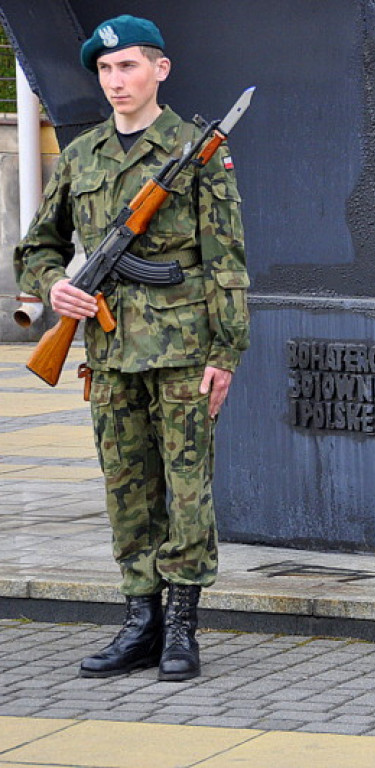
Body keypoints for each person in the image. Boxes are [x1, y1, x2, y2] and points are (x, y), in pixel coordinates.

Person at [14, 15, 250, 682]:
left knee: (187, 492)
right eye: (107, 70)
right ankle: (139, 621)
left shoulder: (198, 151)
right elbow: (36, 247)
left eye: (130, 67)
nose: (117, 81)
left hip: (183, 353)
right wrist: (55, 287)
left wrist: (225, 353)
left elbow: (226, 261)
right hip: (111, 357)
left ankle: (181, 626)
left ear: (160, 70)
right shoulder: (83, 156)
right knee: (127, 492)